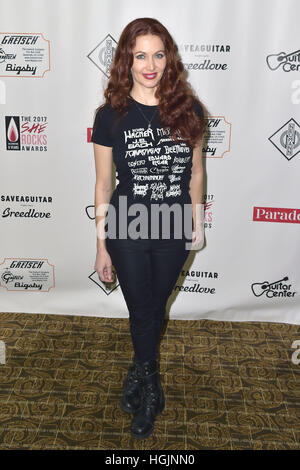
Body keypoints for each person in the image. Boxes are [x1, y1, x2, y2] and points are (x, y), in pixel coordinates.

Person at [91, 17, 205, 440]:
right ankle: (152, 387)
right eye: (140, 55)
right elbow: (104, 185)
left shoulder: (189, 111)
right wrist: (102, 245)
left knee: (154, 311)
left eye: (158, 54)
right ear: (127, 60)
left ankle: (138, 371)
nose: (150, 64)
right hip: (128, 224)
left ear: (168, 59)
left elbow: (196, 173)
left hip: (173, 224)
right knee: (141, 311)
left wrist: (197, 219)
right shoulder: (110, 117)